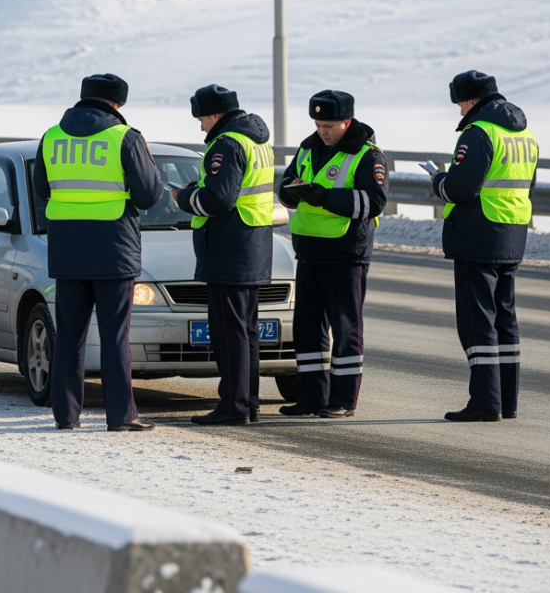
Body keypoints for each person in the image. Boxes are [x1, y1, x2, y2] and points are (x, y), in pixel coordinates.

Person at [32, 73, 163, 432]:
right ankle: (121, 416)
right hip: (113, 251)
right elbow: (149, 194)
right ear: (117, 103)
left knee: (69, 336)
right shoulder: (125, 137)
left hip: (67, 250)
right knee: (114, 337)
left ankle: (66, 415)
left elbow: (42, 188)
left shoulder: (52, 137)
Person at [430, 71, 537, 422]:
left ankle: (484, 403)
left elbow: (461, 189)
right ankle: (506, 401)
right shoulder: (524, 134)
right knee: (505, 319)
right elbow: (528, 186)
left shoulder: (479, 132)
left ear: (472, 100)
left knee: (478, 322)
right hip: (512, 233)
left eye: (460, 104)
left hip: (478, 234)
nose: (460, 111)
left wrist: (438, 180)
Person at [276, 90, 388, 418]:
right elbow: (286, 186)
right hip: (309, 250)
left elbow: (373, 202)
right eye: (318, 124)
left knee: (345, 329)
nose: (322, 131)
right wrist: (290, 192)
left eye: (329, 126)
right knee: (307, 329)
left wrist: (324, 197)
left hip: (346, 252)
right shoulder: (308, 147)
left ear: (346, 122)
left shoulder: (368, 155)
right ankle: (312, 397)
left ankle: (342, 400)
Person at [176, 84, 274, 426]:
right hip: (252, 244)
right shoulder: (256, 141)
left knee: (228, 334)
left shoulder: (227, 143)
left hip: (229, 246)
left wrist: (184, 198)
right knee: (245, 332)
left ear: (216, 114)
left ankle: (233, 407)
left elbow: (219, 199)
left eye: (202, 118)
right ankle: (248, 403)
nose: (201, 126)